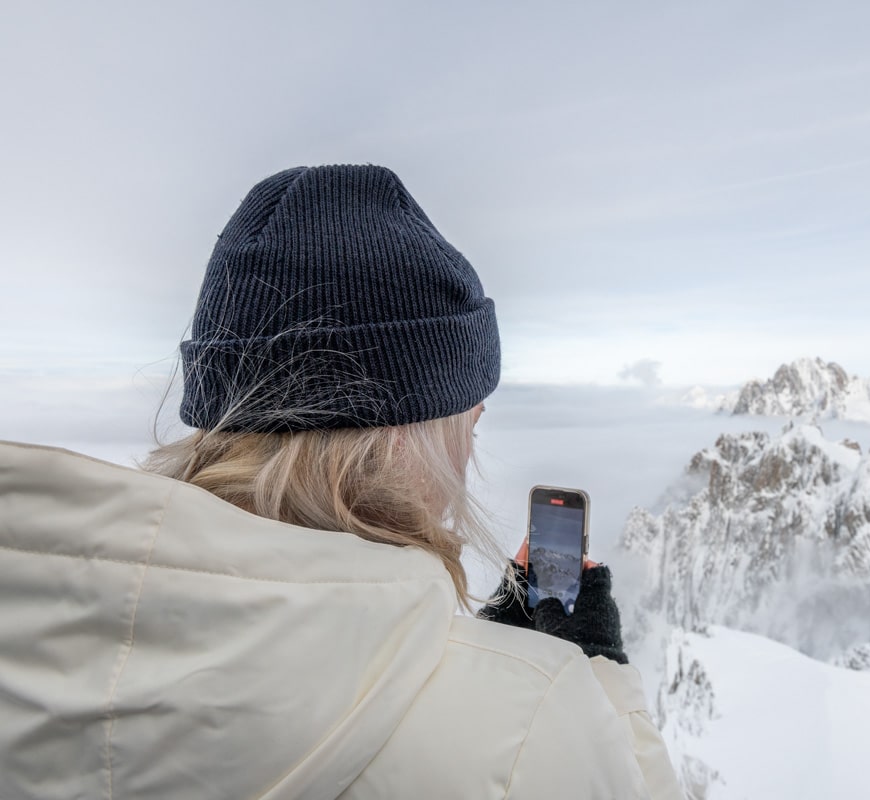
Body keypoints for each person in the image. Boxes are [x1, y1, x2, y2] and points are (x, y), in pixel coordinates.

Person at [0, 165, 684, 799]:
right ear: (399, 428)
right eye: (468, 426)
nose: (468, 458)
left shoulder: (30, 631)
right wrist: (590, 675)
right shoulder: (536, 724)